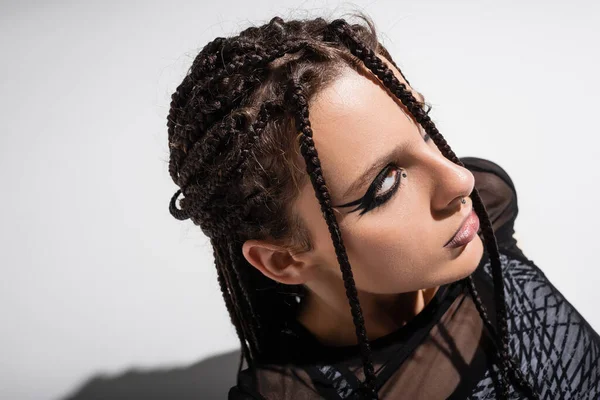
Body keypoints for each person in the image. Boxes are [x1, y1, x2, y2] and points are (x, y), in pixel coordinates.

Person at [166, 13, 600, 399]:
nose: (459, 179)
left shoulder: (489, 206)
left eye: (424, 126)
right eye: (386, 184)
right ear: (282, 259)